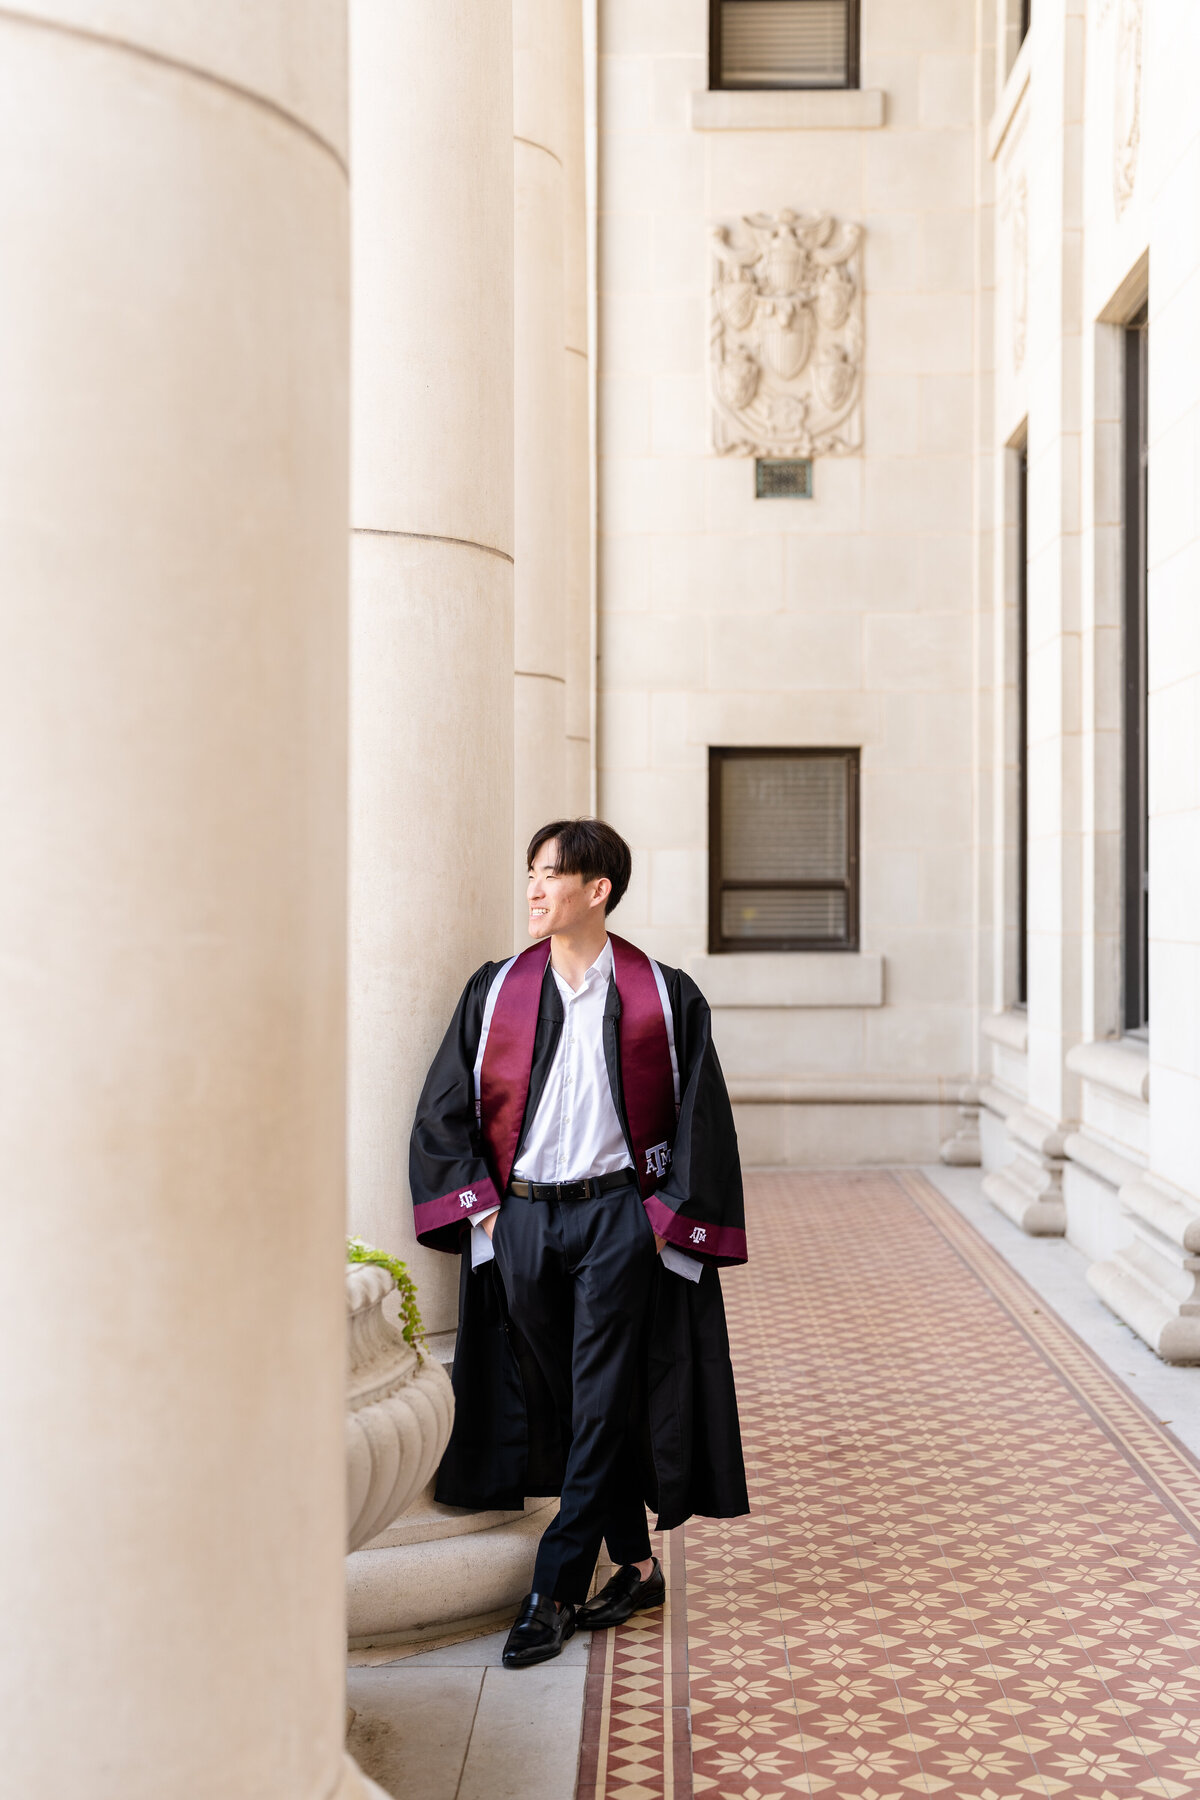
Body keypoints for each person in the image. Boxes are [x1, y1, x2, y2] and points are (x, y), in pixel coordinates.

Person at [410, 818, 748, 1669]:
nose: (532, 889)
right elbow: (445, 1107)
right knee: (560, 1396)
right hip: (520, 1219)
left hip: (615, 1220)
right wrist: (487, 1216)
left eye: (549, 875)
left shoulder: (663, 996)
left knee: (597, 1393)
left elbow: (701, 1119)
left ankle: (552, 1587)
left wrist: (659, 1221)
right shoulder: (496, 992)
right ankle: (634, 1565)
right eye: (530, 872)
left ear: (596, 891)